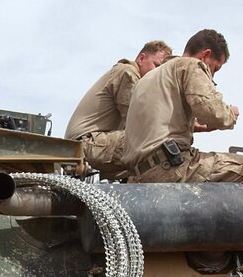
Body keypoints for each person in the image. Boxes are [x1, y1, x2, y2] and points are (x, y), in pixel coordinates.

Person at [123, 29, 243, 267]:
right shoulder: (190, 66)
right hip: (172, 167)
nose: (212, 74)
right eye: (215, 68)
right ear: (206, 54)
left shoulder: (151, 78)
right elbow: (211, 110)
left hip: (139, 175)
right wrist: (229, 114)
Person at [64, 40, 172, 180]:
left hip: (92, 143)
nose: (157, 73)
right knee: (156, 142)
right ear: (141, 58)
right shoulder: (126, 72)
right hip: (85, 144)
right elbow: (140, 119)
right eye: (156, 65)